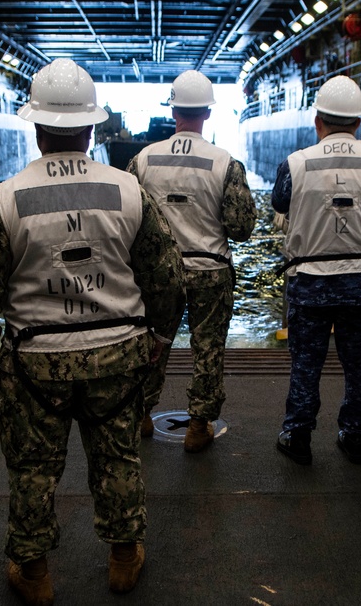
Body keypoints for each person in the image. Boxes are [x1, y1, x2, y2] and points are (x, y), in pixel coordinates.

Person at [0, 59, 184, 604]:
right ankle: (124, 558)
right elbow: (166, 275)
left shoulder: (4, 200)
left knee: (32, 468)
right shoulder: (128, 190)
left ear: (36, 129)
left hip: (36, 363)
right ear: (90, 128)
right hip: (119, 357)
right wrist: (159, 336)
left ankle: (34, 573)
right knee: (119, 456)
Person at [126, 70, 256, 451]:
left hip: (160, 272)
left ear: (173, 110)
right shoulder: (224, 162)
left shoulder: (143, 160)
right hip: (210, 270)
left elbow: (127, 218)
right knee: (208, 349)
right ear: (208, 114)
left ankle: (142, 415)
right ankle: (199, 427)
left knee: (152, 342)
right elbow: (241, 226)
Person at [271, 75, 361, 466]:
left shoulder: (295, 163)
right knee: (360, 364)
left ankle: (299, 435)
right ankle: (355, 436)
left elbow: (280, 201)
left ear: (317, 120)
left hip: (310, 282)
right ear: (359, 122)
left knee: (307, 361)